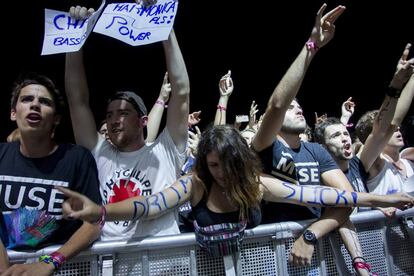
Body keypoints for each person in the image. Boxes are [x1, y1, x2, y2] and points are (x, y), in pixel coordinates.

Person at [56, 125, 414, 259]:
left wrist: (379, 199)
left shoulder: (255, 186)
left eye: (228, 164)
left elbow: (322, 196)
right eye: (213, 165)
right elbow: (149, 206)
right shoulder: (194, 184)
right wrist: (98, 211)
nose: (222, 173)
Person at [65, 7, 189, 240]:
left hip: (168, 266)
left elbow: (181, 91)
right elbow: (77, 101)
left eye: (122, 113)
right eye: (109, 115)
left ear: (143, 121)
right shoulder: (101, 153)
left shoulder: (165, 150)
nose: (113, 120)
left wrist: (165, 27)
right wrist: (75, 39)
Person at [251, 3, 355, 266]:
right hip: (270, 255)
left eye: (298, 105)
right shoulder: (265, 145)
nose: (296, 108)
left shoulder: (317, 151)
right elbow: (277, 104)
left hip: (315, 253)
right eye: (290, 106)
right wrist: (312, 46)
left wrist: (310, 235)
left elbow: (347, 199)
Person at [0, 73, 101, 275]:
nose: (35, 105)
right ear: (13, 113)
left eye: (44, 102)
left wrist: (49, 263)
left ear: (56, 119)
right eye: (27, 99)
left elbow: (94, 223)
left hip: (63, 270)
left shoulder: (77, 158)